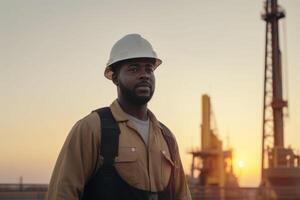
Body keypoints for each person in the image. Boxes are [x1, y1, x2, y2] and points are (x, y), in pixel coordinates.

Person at [46, 34, 191, 200]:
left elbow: (182, 195)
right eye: (134, 69)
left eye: (149, 69)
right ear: (115, 77)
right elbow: (62, 193)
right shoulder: (92, 128)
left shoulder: (167, 137)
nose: (144, 75)